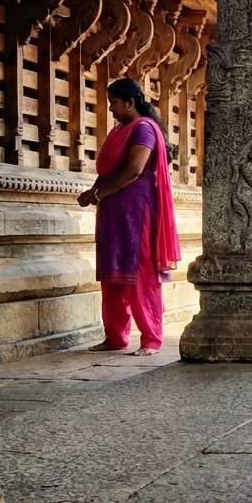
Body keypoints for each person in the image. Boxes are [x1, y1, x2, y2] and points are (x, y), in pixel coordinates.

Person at [76, 78, 181, 356]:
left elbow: (134, 170)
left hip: (137, 212)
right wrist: (93, 192)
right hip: (113, 211)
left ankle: (151, 338)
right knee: (112, 272)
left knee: (141, 272)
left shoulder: (143, 128)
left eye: (114, 103)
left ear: (130, 103)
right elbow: (109, 170)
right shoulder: (119, 130)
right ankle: (115, 336)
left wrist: (98, 195)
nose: (111, 109)